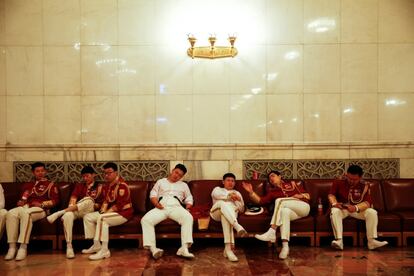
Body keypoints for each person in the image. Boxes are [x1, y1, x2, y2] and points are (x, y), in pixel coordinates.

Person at [242, 170, 310, 259]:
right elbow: (261, 201)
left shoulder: (292, 184)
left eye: (273, 176)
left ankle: (272, 230)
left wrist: (299, 196)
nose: (271, 179)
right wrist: (251, 192)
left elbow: (308, 195)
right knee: (284, 212)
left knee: (279, 200)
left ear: (280, 176)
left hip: (303, 207)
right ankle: (285, 247)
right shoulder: (272, 192)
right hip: (292, 212)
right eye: (269, 178)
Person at [4, 162, 59, 261]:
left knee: (26, 214)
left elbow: (55, 201)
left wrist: (42, 204)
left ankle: (23, 247)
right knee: (10, 213)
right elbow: (23, 198)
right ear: (33, 172)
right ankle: (12, 247)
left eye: (42, 171)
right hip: (26, 207)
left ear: (45, 171)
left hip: (40, 209)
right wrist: (21, 202)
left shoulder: (50, 185)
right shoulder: (27, 185)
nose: (40, 173)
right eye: (37, 171)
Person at [46, 166, 105, 259]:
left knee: (89, 200)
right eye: (83, 177)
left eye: (87, 176)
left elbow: (102, 203)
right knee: (68, 215)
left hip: (91, 211)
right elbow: (73, 198)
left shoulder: (100, 187)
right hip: (78, 209)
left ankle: (59, 213)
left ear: (93, 175)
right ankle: (69, 246)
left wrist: (94, 205)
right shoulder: (80, 186)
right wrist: (72, 208)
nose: (85, 178)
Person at [141, 163, 194, 259]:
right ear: (172, 170)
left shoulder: (184, 185)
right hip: (161, 206)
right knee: (145, 220)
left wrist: (188, 207)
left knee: (188, 217)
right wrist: (156, 204)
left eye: (180, 175)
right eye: (176, 172)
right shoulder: (161, 182)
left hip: (176, 206)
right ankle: (153, 249)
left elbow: (189, 197)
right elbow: (153, 194)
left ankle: (184, 248)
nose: (176, 176)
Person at [328, 165, 388, 251]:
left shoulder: (365, 185)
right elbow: (331, 194)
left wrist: (356, 208)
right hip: (342, 209)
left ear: (360, 177)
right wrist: (335, 203)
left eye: (354, 179)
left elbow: (368, 202)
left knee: (372, 212)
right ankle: (339, 241)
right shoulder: (338, 181)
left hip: (357, 210)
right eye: (349, 178)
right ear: (346, 174)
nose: (351, 181)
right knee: (334, 211)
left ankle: (372, 242)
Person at [81, 162, 133, 260]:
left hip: (123, 213)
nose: (106, 175)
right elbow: (106, 201)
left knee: (102, 218)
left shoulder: (122, 185)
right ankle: (96, 245)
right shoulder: (108, 186)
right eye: (105, 173)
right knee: (88, 217)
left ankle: (104, 251)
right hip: (111, 213)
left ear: (116, 172)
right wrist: (102, 211)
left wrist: (105, 213)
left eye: (109, 173)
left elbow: (120, 205)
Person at [210, 173, 247, 262]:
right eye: (228, 180)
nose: (230, 182)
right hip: (216, 213)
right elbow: (216, 195)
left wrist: (238, 200)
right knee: (223, 204)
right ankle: (237, 226)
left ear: (234, 183)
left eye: (232, 181)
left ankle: (228, 249)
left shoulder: (238, 193)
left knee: (226, 215)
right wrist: (230, 196)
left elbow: (241, 209)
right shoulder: (217, 189)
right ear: (223, 182)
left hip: (230, 215)